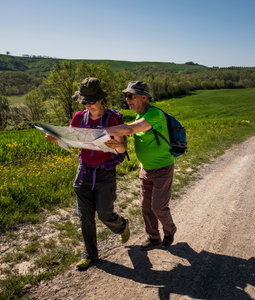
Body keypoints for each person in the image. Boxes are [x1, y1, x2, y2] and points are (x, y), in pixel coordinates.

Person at [45, 77, 130, 271]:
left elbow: (123, 150)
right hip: (83, 171)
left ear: (101, 100)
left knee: (104, 214)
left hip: (105, 173)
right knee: (85, 217)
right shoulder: (78, 118)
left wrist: (118, 145)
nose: (88, 105)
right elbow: (71, 140)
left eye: (91, 101)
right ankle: (90, 255)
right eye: (84, 102)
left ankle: (122, 225)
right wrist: (56, 138)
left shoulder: (113, 119)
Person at [105, 81, 177, 251]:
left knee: (158, 206)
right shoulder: (139, 115)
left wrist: (101, 130)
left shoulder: (154, 114)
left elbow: (130, 129)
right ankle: (153, 237)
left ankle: (169, 230)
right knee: (145, 206)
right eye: (126, 96)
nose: (127, 99)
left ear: (144, 97)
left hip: (163, 168)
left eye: (131, 96)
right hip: (145, 169)